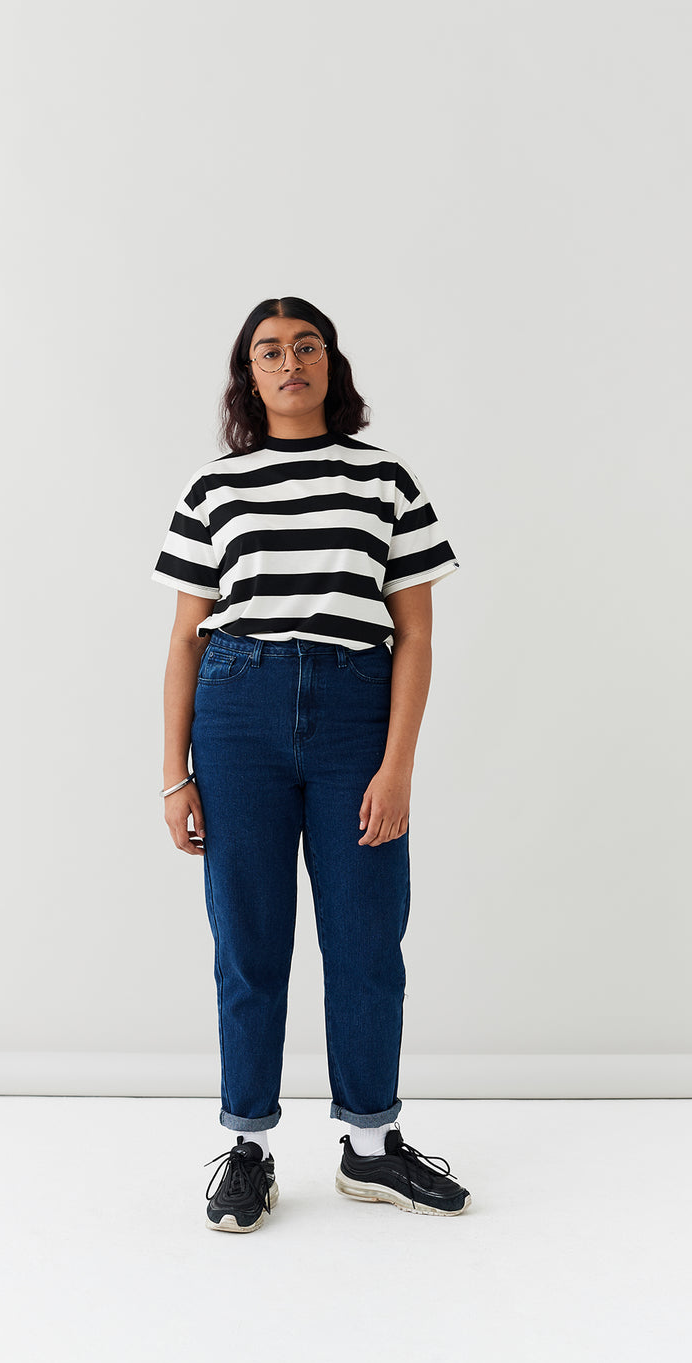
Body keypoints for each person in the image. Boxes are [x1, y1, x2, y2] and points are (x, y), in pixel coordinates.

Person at [152, 295, 471, 1231]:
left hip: (354, 716)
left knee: (367, 937)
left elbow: (415, 635)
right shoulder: (214, 488)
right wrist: (174, 773)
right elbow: (184, 640)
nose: (290, 362)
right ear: (248, 376)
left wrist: (397, 764)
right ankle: (248, 1146)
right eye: (269, 351)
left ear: (331, 362)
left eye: (306, 346)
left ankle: (371, 1145)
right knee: (248, 941)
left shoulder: (385, 480)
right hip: (238, 711)